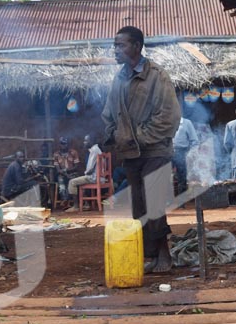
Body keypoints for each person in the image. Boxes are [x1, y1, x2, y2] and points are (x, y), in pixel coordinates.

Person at [102, 25, 181, 274]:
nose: (116, 50)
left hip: (155, 150)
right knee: (139, 207)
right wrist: (114, 135)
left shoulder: (157, 76)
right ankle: (151, 255)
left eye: (121, 45)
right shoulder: (119, 78)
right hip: (131, 154)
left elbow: (169, 117)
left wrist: (140, 137)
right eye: (114, 45)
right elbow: (109, 114)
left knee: (154, 203)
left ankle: (164, 256)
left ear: (137, 46)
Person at [66, 134, 103, 209]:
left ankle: (76, 206)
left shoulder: (94, 151)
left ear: (91, 141)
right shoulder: (97, 149)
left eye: (86, 140)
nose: (84, 142)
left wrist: (85, 173)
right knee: (80, 179)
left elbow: (89, 170)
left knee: (72, 182)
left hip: (94, 178)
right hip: (100, 177)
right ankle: (86, 204)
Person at [172, 116, 198, 194]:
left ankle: (181, 201)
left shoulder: (186, 123)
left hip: (181, 152)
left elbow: (194, 140)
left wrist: (191, 152)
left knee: (181, 177)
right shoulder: (165, 121)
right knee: (165, 177)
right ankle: (166, 200)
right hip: (166, 152)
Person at [53, 136, 81, 202]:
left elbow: (77, 167)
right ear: (59, 144)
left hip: (72, 173)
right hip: (62, 174)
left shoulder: (73, 152)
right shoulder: (56, 154)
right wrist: (65, 173)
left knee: (72, 183)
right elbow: (58, 169)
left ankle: (72, 201)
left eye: (65, 144)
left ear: (68, 144)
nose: (63, 145)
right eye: (62, 144)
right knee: (62, 186)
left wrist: (68, 171)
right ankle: (65, 201)